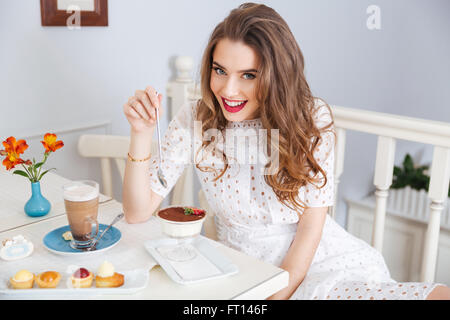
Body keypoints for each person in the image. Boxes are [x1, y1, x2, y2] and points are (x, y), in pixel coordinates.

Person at [122, 3, 450, 300]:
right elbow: (137, 212)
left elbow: (310, 228)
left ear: (276, 76)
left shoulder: (312, 120)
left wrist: (277, 298)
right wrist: (141, 133)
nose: (228, 89)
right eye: (219, 70)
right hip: (244, 269)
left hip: (314, 262)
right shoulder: (195, 119)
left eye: (248, 75)